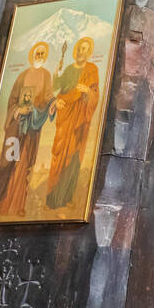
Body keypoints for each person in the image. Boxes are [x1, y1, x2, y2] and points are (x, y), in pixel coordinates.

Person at [0, 42, 54, 216]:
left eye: (43, 54)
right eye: (37, 53)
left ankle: (18, 205)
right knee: (9, 161)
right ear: (32, 54)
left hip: (32, 129)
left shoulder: (46, 76)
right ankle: (2, 202)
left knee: (24, 164)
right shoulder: (22, 76)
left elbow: (48, 97)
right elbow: (12, 102)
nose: (40, 56)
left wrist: (53, 104)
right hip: (16, 128)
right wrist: (19, 110)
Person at [44, 36, 101, 209]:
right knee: (59, 153)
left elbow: (95, 93)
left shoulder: (92, 69)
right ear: (75, 50)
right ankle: (51, 198)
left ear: (89, 52)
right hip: (66, 114)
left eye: (85, 49)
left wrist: (88, 93)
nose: (81, 52)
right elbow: (59, 86)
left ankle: (67, 197)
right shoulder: (69, 68)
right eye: (80, 48)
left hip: (80, 117)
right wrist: (56, 73)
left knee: (74, 156)